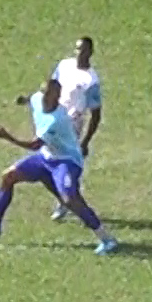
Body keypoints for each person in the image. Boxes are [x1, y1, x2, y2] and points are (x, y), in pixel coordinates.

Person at [0, 77, 119, 254]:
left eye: (46, 97)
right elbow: (32, 98)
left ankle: (107, 239)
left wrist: (7, 137)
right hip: (46, 157)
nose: (41, 100)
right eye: (41, 95)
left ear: (56, 98)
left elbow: (35, 145)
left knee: (70, 199)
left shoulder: (56, 120)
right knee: (8, 176)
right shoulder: (38, 98)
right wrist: (24, 100)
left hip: (66, 161)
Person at [47, 37, 103, 221]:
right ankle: (66, 198)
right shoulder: (64, 65)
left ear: (90, 52)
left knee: (65, 162)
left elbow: (95, 113)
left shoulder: (90, 80)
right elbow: (51, 86)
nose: (79, 53)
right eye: (77, 49)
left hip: (72, 124)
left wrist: (86, 141)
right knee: (49, 160)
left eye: (84, 50)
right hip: (54, 119)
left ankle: (66, 201)